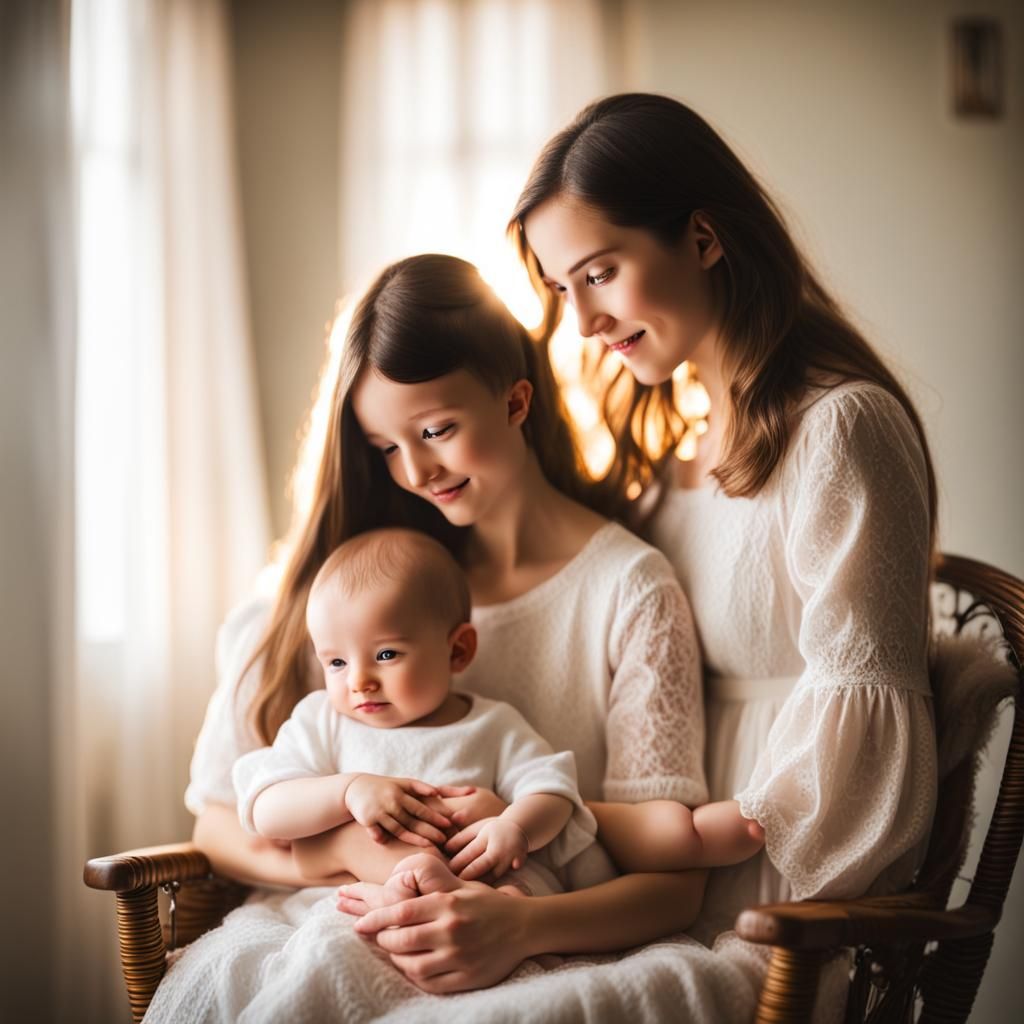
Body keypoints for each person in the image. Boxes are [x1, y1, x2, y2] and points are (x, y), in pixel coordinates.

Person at [150, 252, 765, 1023]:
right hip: (335, 918)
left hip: (538, 933)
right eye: (385, 447)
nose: (414, 471)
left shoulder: (627, 590)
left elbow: (673, 885)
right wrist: (345, 849)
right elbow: (217, 821)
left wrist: (522, 925)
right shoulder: (351, 594)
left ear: (515, 402)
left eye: (436, 430)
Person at [503, 92, 938, 997]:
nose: (583, 323)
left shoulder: (841, 427)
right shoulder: (680, 453)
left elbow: (864, 742)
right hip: (663, 879)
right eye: (562, 289)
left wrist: (674, 845)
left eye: (600, 273)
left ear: (703, 238)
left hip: (781, 906)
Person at [233, 526, 616, 902]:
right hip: (365, 890)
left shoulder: (491, 725)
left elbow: (552, 790)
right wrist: (348, 791)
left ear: (458, 651)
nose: (359, 681)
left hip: (480, 885)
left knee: (523, 885)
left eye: (386, 655)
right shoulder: (323, 721)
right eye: (336, 662)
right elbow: (266, 809)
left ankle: (478, 901)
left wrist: (516, 827)